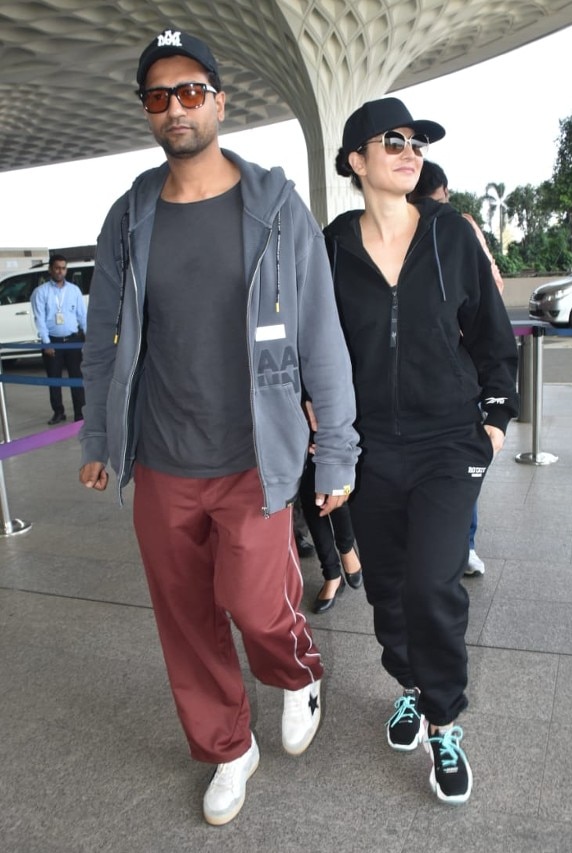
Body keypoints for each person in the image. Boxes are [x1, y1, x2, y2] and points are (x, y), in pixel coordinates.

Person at [78, 29, 359, 827]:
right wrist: (101, 438)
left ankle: (298, 671)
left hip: (253, 455)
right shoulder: (129, 217)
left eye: (191, 90)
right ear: (147, 110)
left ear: (220, 100)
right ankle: (229, 748)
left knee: (254, 600)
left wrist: (335, 445)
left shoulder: (273, 206)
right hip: (164, 458)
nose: (177, 107)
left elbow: (321, 336)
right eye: (159, 95)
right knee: (184, 618)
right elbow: (106, 337)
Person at [326, 97, 518, 805]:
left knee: (433, 583)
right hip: (371, 447)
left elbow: (496, 341)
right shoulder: (332, 247)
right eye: (393, 141)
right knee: (386, 589)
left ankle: (443, 718)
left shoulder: (451, 236)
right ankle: (407, 683)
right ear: (357, 161)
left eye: (417, 142)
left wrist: (492, 427)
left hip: (446, 443)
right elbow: (318, 352)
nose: (411, 151)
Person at [409, 160, 506, 577]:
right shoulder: (455, 226)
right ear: (442, 189)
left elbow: (488, 291)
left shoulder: (456, 229)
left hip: (452, 380)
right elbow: (494, 286)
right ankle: (462, 545)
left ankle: (460, 545)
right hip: (446, 373)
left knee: (456, 468)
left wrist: (498, 416)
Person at [298, 401, 362, 613]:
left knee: (334, 484)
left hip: (331, 403)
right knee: (310, 494)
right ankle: (332, 574)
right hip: (293, 401)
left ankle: (346, 547)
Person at [30, 253, 87, 424]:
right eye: (57, 268)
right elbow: (39, 319)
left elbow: (82, 316)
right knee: (54, 379)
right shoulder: (41, 292)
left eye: (63, 268)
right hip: (52, 342)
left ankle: (80, 413)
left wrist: (89, 339)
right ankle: (58, 412)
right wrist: (46, 343)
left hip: (73, 341)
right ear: (50, 269)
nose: (60, 271)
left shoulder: (74, 290)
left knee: (76, 378)